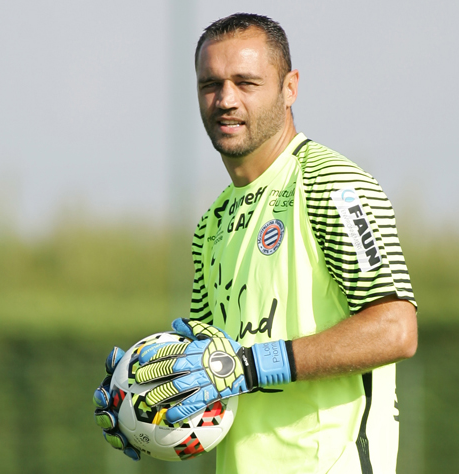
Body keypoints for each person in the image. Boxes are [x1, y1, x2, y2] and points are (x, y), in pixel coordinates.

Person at [95, 13, 417, 474]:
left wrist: (251, 366)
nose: (226, 100)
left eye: (246, 83)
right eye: (211, 84)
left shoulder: (332, 184)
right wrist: (139, 402)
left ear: (290, 88)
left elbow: (395, 329)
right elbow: (209, 376)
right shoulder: (212, 223)